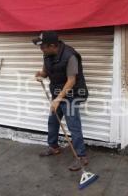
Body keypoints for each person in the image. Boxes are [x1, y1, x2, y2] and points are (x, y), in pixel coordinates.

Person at [33, 31, 89, 171]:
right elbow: (46, 72)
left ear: (52, 45)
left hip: (72, 94)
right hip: (57, 93)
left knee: (73, 125)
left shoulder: (70, 56)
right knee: (53, 121)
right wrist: (41, 74)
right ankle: (54, 147)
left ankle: (81, 157)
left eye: (43, 46)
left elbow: (71, 81)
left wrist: (58, 99)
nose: (41, 49)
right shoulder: (47, 54)